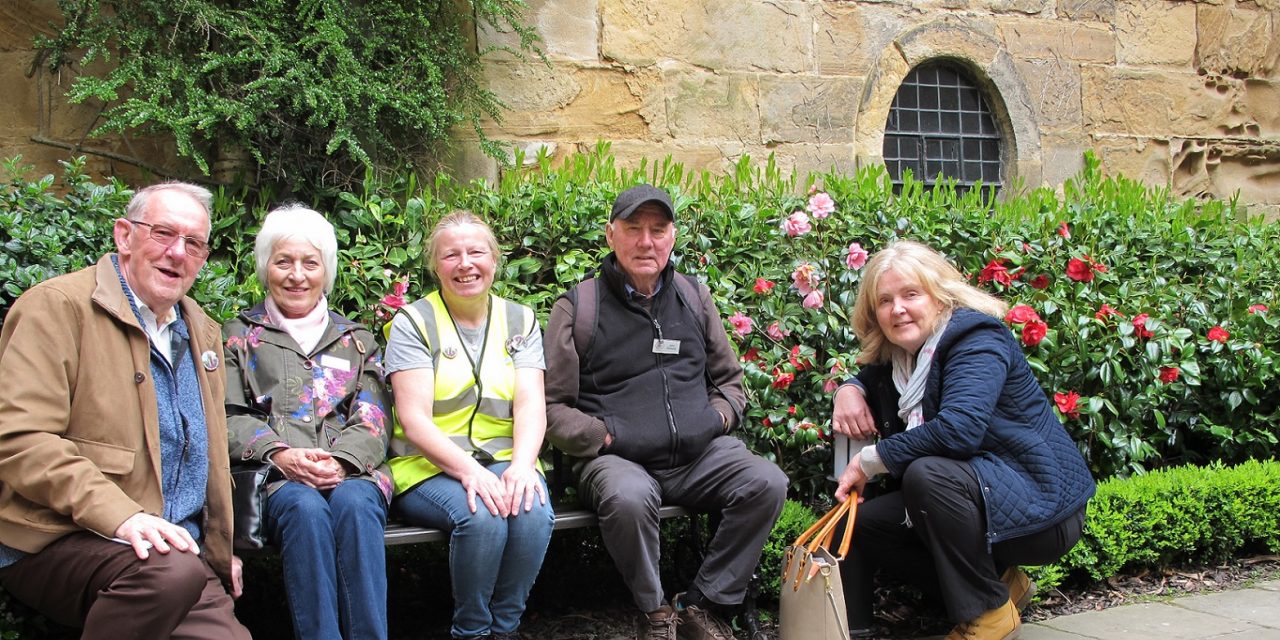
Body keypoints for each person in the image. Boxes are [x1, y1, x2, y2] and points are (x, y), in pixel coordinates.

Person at [0, 182, 251, 639]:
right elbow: (21, 442)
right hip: (57, 537)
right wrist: (122, 516)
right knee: (168, 574)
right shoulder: (56, 309)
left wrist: (218, 551)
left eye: (193, 243)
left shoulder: (201, 331)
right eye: (163, 233)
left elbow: (206, 459)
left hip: (173, 554)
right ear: (124, 235)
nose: (178, 253)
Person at [544, 184, 789, 640]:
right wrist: (605, 437)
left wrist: (716, 420)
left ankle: (702, 604)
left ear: (672, 237)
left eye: (658, 230)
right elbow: (553, 407)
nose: (646, 241)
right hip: (619, 460)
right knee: (629, 498)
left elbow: (730, 382)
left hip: (698, 455)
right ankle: (654, 612)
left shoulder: (694, 297)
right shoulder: (579, 307)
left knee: (767, 482)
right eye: (633, 229)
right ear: (610, 234)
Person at [830, 240, 1096, 640]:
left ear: (940, 297)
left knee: (926, 475)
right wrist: (846, 390)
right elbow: (866, 378)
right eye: (884, 301)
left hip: (1040, 510)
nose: (897, 308)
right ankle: (1003, 585)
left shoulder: (976, 339)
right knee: (862, 525)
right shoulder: (900, 358)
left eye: (911, 294)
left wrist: (869, 460)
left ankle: (989, 615)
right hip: (980, 498)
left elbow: (959, 430)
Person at [223, 204, 393, 639]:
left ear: (326, 271)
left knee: (356, 505)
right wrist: (282, 454)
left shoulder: (357, 340)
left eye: (309, 263)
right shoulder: (238, 337)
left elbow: (373, 417)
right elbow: (226, 415)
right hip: (275, 481)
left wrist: (340, 463)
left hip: (353, 473)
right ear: (266, 268)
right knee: (305, 508)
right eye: (284, 261)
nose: (296, 274)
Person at [384, 210, 554, 640]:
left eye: (476, 252)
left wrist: (522, 466)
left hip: (500, 458)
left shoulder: (521, 320)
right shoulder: (413, 322)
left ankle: (505, 628)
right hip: (426, 466)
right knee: (483, 517)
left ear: (494, 260)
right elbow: (414, 419)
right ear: (435, 265)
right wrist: (470, 471)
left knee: (532, 511)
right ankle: (472, 631)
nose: (465, 264)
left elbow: (532, 404)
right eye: (450, 255)